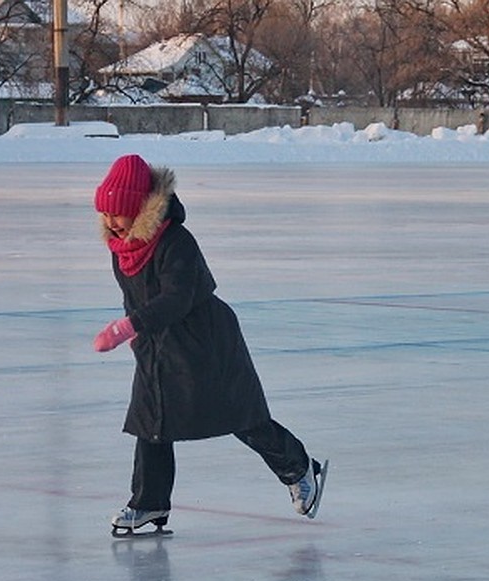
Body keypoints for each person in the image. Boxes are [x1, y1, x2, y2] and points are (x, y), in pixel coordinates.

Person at [92, 154, 326, 536]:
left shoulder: (175, 241)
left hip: (204, 341)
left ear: (138, 206)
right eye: (106, 213)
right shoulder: (122, 250)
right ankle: (148, 502)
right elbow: (136, 298)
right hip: (157, 340)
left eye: (118, 213)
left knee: (237, 415)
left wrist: (126, 328)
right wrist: (138, 336)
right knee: (151, 421)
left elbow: (177, 298)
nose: (111, 221)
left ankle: (299, 469)